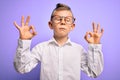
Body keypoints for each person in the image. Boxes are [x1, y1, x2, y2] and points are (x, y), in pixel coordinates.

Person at [13, 3, 104, 80]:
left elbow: (94, 72)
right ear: (50, 24)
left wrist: (94, 46)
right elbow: (21, 68)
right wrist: (24, 41)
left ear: (72, 26)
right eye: (58, 18)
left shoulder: (79, 50)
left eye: (67, 20)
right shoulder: (41, 48)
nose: (63, 22)